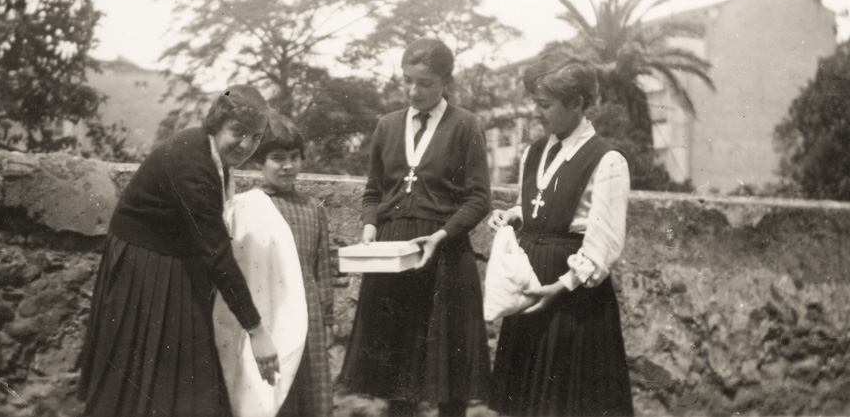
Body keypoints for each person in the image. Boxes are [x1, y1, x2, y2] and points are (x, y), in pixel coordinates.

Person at [78, 85, 281, 417]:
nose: (246, 145)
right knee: (150, 377)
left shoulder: (212, 154)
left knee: (178, 373)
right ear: (218, 122)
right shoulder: (192, 165)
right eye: (238, 132)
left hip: (171, 257)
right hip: (143, 264)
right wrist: (257, 332)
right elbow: (217, 254)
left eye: (256, 137)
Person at [338, 38, 492, 417]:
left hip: (443, 255)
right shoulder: (387, 126)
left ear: (445, 81)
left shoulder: (465, 125)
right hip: (393, 257)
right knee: (396, 376)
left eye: (424, 83)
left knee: (449, 380)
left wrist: (442, 234)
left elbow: (479, 199)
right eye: (407, 80)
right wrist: (371, 226)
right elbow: (373, 192)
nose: (413, 90)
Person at [488, 51, 634, 417]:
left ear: (578, 103)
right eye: (535, 103)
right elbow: (539, 208)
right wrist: (513, 216)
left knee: (565, 403)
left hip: (572, 301)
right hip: (530, 289)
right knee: (523, 402)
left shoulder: (606, 159)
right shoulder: (535, 151)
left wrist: (565, 284)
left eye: (545, 105)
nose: (536, 113)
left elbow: (605, 241)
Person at [248, 115, 335, 417]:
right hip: (270, 313)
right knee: (274, 393)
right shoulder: (250, 206)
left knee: (309, 390)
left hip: (308, 314)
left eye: (294, 157)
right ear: (259, 160)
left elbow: (322, 269)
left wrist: (327, 320)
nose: (288, 166)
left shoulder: (314, 209)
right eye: (277, 158)